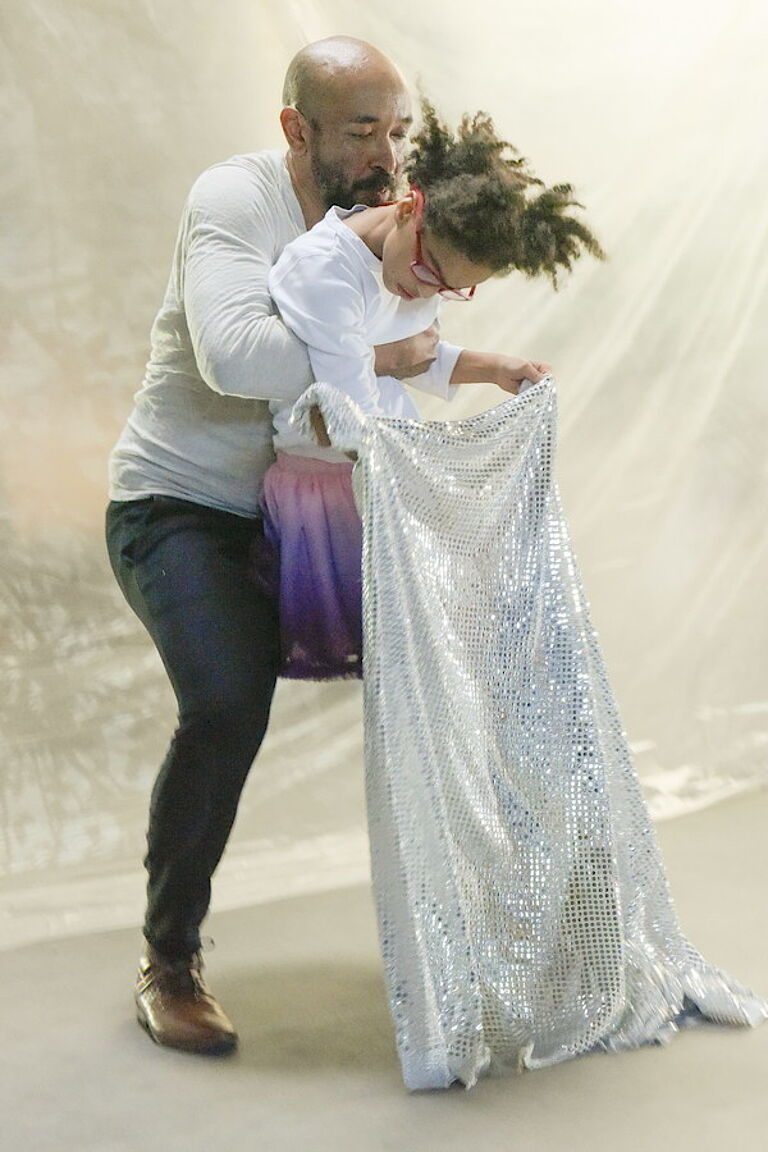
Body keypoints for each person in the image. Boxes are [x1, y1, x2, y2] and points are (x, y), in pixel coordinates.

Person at [105, 35, 460, 1057]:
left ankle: (486, 927)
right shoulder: (235, 198)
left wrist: (438, 357)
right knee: (226, 700)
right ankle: (169, 959)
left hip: (317, 507)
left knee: (457, 663)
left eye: (398, 130)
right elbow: (236, 358)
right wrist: (383, 353)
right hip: (181, 507)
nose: (386, 154)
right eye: (361, 131)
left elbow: (420, 344)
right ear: (295, 130)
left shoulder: (389, 207)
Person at [261, 98, 603, 679]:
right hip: (337, 486)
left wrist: (494, 367)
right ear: (407, 209)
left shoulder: (407, 267)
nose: (425, 294)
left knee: (473, 650)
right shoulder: (323, 272)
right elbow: (351, 416)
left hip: (387, 473)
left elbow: (409, 357)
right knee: (424, 662)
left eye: (450, 290)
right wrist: (453, 476)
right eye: (428, 271)